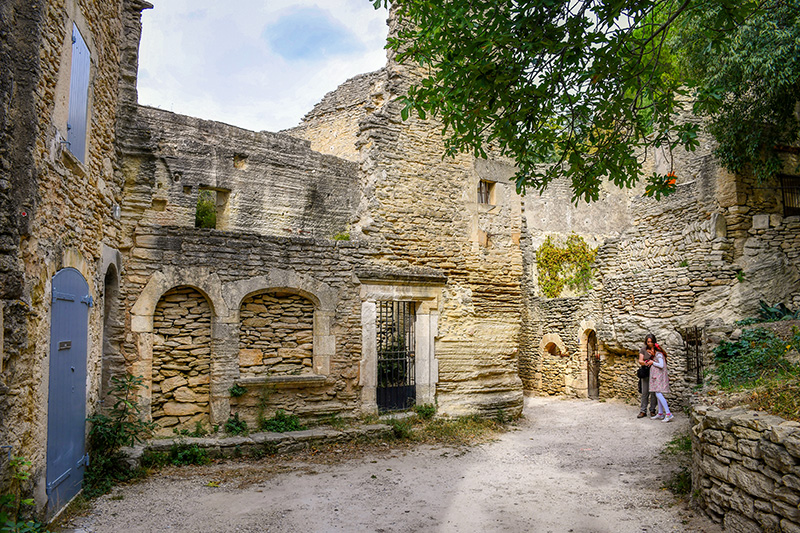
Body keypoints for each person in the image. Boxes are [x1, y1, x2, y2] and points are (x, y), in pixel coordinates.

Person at [645, 334, 673, 422]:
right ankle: (660, 413)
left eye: (650, 352)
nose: (650, 353)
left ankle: (668, 413)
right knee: (658, 393)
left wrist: (652, 362)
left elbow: (661, 365)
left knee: (658, 394)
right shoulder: (657, 355)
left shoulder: (659, 355)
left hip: (659, 376)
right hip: (656, 376)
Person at [637, 337, 657, 418]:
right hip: (645, 372)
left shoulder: (656, 350)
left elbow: (660, 359)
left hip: (655, 373)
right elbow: (640, 361)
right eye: (648, 342)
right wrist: (646, 363)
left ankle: (652, 410)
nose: (649, 343)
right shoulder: (643, 350)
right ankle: (643, 410)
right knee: (645, 392)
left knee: (654, 393)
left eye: (651, 342)